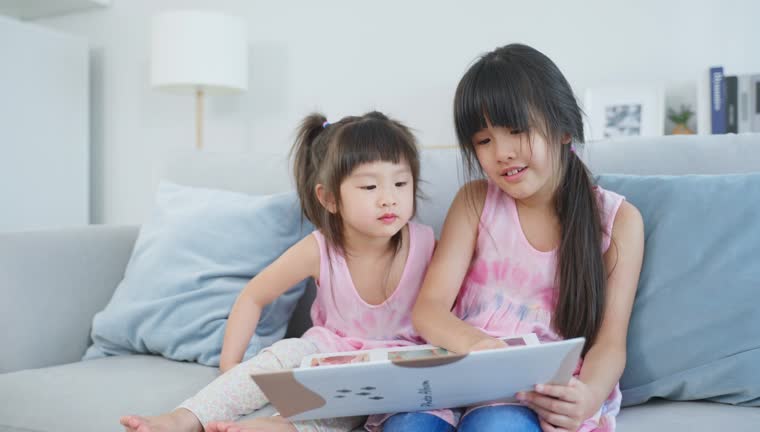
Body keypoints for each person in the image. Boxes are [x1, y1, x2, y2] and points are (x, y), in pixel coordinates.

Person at [372, 43, 645, 432]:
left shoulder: (619, 221)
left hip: (533, 393)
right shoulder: (474, 201)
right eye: (484, 141)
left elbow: (610, 343)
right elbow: (429, 309)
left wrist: (588, 395)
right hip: (456, 370)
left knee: (497, 425)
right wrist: (482, 348)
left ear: (565, 127)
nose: (501, 153)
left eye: (518, 131)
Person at [121, 111, 435, 432]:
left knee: (342, 406)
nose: (389, 199)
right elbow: (254, 296)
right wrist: (231, 365)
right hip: (329, 353)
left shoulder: (426, 243)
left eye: (400, 183)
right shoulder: (320, 248)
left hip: (396, 364)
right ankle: (182, 418)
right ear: (329, 199)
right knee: (286, 353)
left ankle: (280, 426)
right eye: (369, 186)